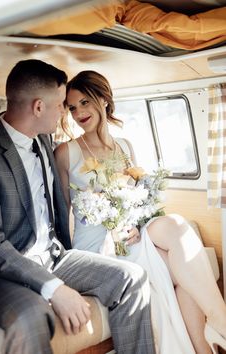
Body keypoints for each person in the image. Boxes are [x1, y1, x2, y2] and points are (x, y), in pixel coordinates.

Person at [0, 60, 157, 354]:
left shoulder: (43, 139)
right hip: (5, 272)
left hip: (56, 257)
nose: (67, 114)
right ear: (39, 107)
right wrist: (53, 288)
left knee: (132, 278)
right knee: (31, 315)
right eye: (61, 106)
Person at [55, 69, 226, 354]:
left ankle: (211, 335)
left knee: (177, 227)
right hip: (99, 247)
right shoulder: (66, 152)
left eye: (85, 102)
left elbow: (138, 198)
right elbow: (61, 216)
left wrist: (135, 224)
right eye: (72, 107)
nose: (78, 112)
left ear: (104, 100)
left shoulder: (124, 146)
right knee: (187, 274)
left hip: (132, 236)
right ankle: (218, 330)